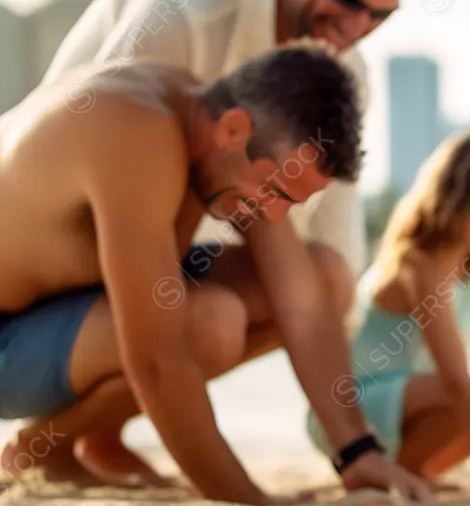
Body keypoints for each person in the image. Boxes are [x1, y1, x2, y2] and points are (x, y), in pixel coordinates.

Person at [0, 42, 435, 506]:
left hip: (74, 301)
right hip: (10, 334)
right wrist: (249, 502)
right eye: (274, 191)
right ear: (232, 129)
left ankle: (47, 447)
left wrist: (358, 453)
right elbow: (158, 360)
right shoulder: (136, 132)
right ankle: (50, 449)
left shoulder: (206, 122)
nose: (274, 214)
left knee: (325, 275)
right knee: (210, 320)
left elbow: (304, 302)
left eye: (291, 202)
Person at [42, 0, 398, 324]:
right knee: (209, 322)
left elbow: (327, 232)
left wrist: (345, 377)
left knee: (326, 281)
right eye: (350, 1)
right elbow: (81, 165)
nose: (355, 29)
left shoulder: (347, 74)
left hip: (170, 255)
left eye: (381, 16)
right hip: (58, 268)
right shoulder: (181, 19)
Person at [306, 132, 470, 490]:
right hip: (351, 411)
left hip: (414, 403)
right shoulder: (421, 265)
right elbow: (455, 382)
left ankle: (411, 472)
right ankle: (391, 471)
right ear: (464, 198)